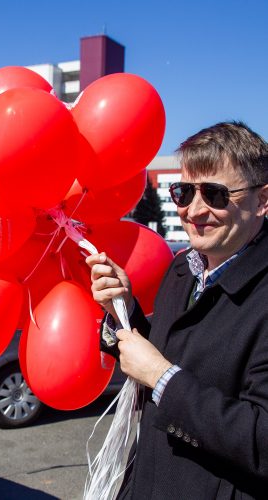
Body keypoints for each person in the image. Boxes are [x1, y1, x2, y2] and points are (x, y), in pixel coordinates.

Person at [87, 122, 268, 499]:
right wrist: (122, 308)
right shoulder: (183, 267)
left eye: (216, 195)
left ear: (262, 200)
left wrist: (161, 376)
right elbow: (165, 354)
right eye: (184, 193)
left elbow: (260, 440)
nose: (194, 210)